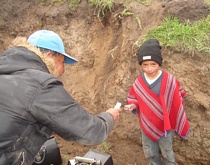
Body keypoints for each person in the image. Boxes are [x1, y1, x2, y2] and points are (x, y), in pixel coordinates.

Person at [0, 30, 120, 165]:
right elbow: (91, 132)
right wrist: (109, 117)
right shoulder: (40, 84)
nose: (62, 70)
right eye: (62, 61)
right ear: (50, 55)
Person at [124, 39, 190, 165]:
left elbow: (176, 100)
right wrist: (132, 105)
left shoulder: (169, 80)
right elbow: (134, 98)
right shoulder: (138, 82)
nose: (149, 69)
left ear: (159, 63)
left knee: (167, 152)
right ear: (141, 65)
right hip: (147, 125)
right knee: (150, 152)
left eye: (153, 64)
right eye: (145, 65)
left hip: (166, 125)